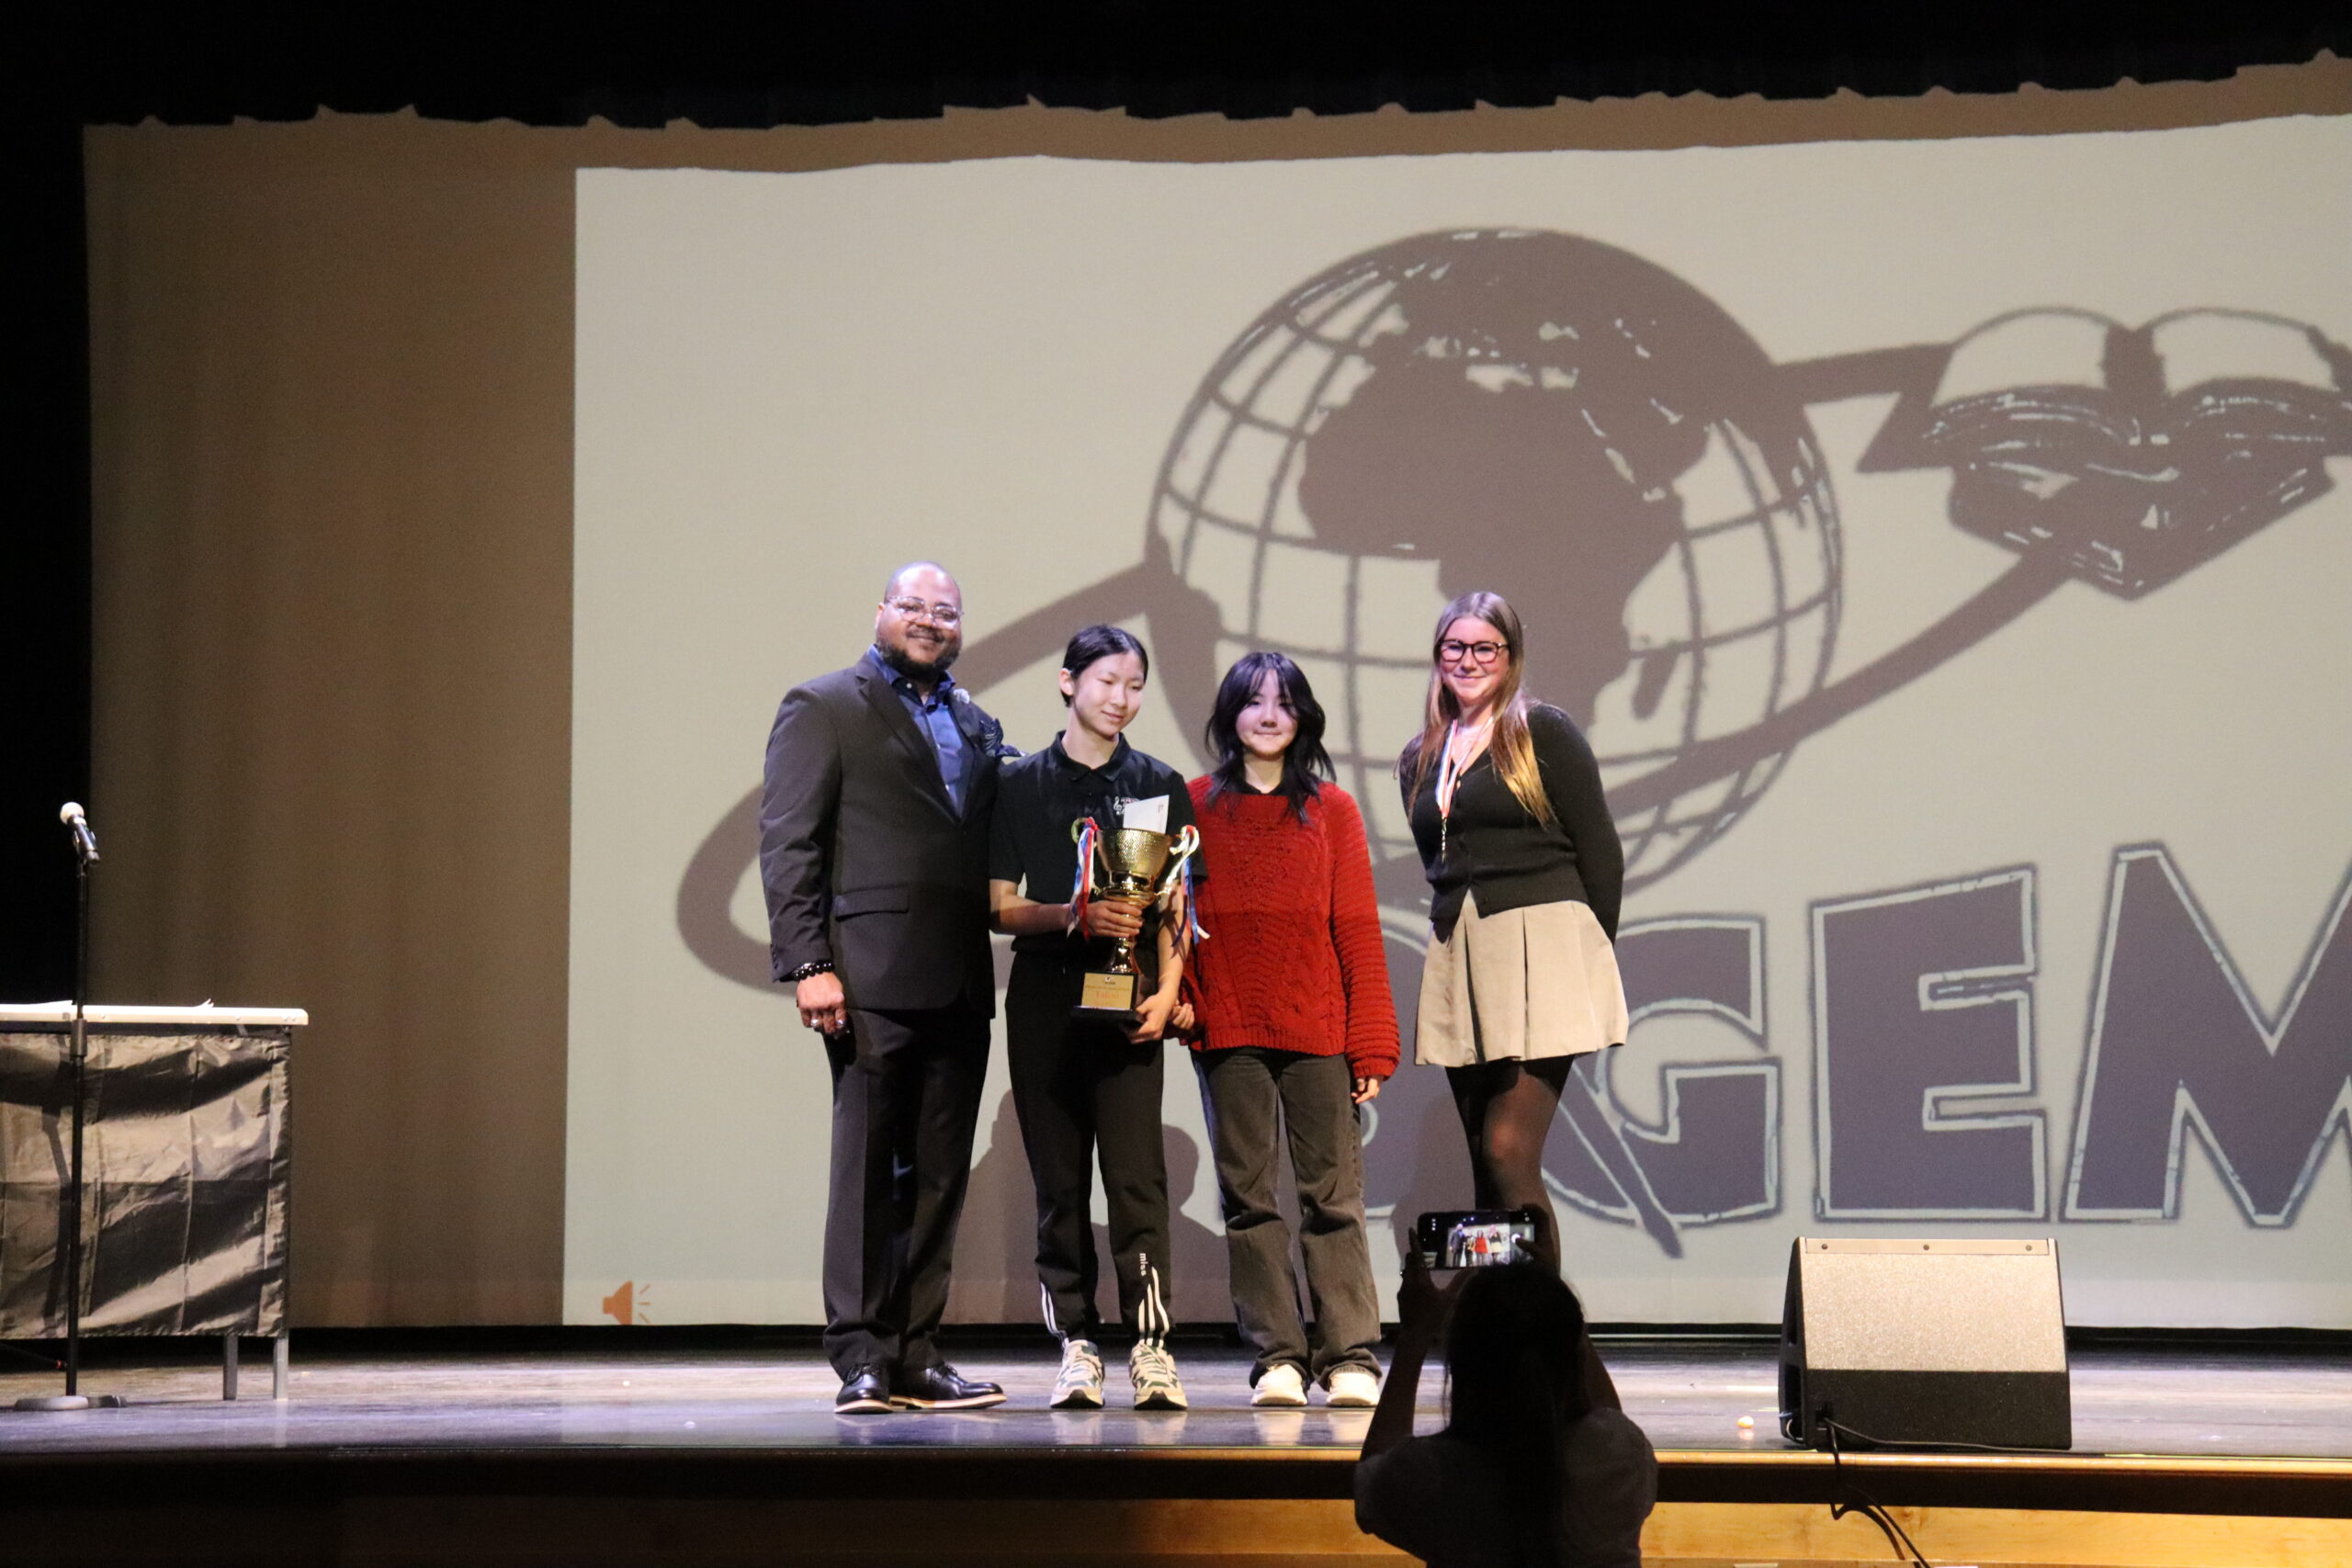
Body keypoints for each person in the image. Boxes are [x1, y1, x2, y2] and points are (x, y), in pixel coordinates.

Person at [759, 562, 1013, 1414]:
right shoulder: (825, 705)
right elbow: (788, 841)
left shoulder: (976, 721)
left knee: (939, 1177)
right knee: (869, 1171)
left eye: (946, 611)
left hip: (960, 978)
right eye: (914, 605)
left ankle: (916, 1353)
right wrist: (808, 962)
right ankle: (862, 1355)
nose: (930, 620)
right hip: (865, 975)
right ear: (881, 612)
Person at [989, 625, 1200, 1411]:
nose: (1121, 698)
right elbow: (997, 906)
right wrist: (1072, 916)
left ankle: (1151, 1346)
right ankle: (1077, 1343)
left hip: (1131, 998)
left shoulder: (1158, 782)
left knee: (1137, 1179)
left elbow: (1177, 903)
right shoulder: (1017, 785)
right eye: (1108, 681)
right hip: (1045, 999)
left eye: (1135, 685)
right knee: (1060, 1182)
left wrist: (1169, 990)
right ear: (1067, 681)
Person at [1181, 651, 1398, 1408]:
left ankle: (1349, 1354)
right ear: (1230, 715)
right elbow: (1174, 921)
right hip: (1229, 1026)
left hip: (1319, 1030)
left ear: (1302, 715)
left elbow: (1357, 928)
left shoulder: (1332, 809)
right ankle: (1277, 1353)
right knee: (1248, 1197)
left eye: (1283, 701)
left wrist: (1372, 1041)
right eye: (1253, 701)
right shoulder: (1194, 804)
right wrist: (1182, 1002)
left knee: (1332, 1196)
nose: (1269, 714)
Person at [1398, 590, 1630, 1274]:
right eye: (1455, 647)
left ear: (1510, 655)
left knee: (1507, 1150)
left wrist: (1585, 958)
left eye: (1485, 648)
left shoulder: (1541, 732)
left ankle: (1548, 1326)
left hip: (1545, 947)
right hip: (1462, 948)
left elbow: (1601, 853)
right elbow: (1440, 862)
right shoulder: (1420, 756)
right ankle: (1495, 1321)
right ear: (1438, 656)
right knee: (1482, 1159)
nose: (1468, 661)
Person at [1355, 1258, 1657, 1568]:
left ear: (1461, 1364)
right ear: (1572, 1358)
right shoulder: (1618, 1458)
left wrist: (1415, 1335)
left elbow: (1371, 1488)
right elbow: (1609, 1424)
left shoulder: (1434, 1475)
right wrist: (1554, 1299)